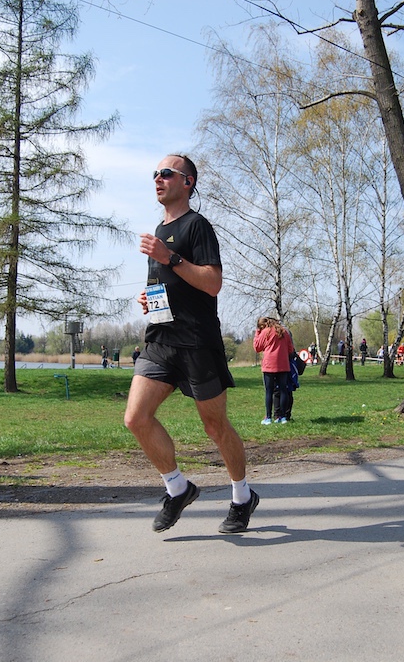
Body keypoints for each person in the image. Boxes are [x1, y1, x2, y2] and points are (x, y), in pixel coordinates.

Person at [123, 154, 257, 534]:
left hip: (197, 341)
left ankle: (242, 497)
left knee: (215, 427)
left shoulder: (198, 226)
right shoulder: (158, 229)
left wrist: (170, 257)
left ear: (188, 182)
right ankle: (178, 488)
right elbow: (170, 284)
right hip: (161, 339)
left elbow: (212, 283)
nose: (158, 178)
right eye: (155, 173)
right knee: (135, 418)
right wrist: (149, 298)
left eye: (166, 173)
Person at [254, 316, 294, 425]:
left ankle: (268, 417)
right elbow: (290, 349)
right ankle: (283, 417)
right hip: (283, 365)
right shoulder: (284, 332)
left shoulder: (265, 332)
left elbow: (257, 347)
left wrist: (257, 332)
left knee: (269, 391)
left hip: (269, 365)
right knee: (283, 390)